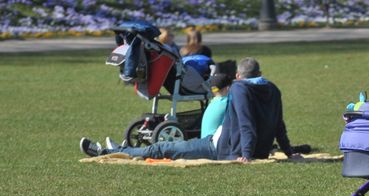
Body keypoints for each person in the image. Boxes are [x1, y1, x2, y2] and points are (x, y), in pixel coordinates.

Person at [80, 57, 296, 162]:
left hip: (221, 148)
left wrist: (246, 155)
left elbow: (246, 122)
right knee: (166, 147)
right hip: (233, 145)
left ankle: (110, 152)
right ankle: (122, 149)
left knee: (162, 148)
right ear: (260, 73)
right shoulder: (272, 89)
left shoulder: (240, 88)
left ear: (238, 76)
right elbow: (279, 124)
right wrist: (288, 151)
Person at [200, 73, 232, 137]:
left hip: (205, 141)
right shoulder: (227, 102)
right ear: (228, 88)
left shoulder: (213, 102)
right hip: (214, 141)